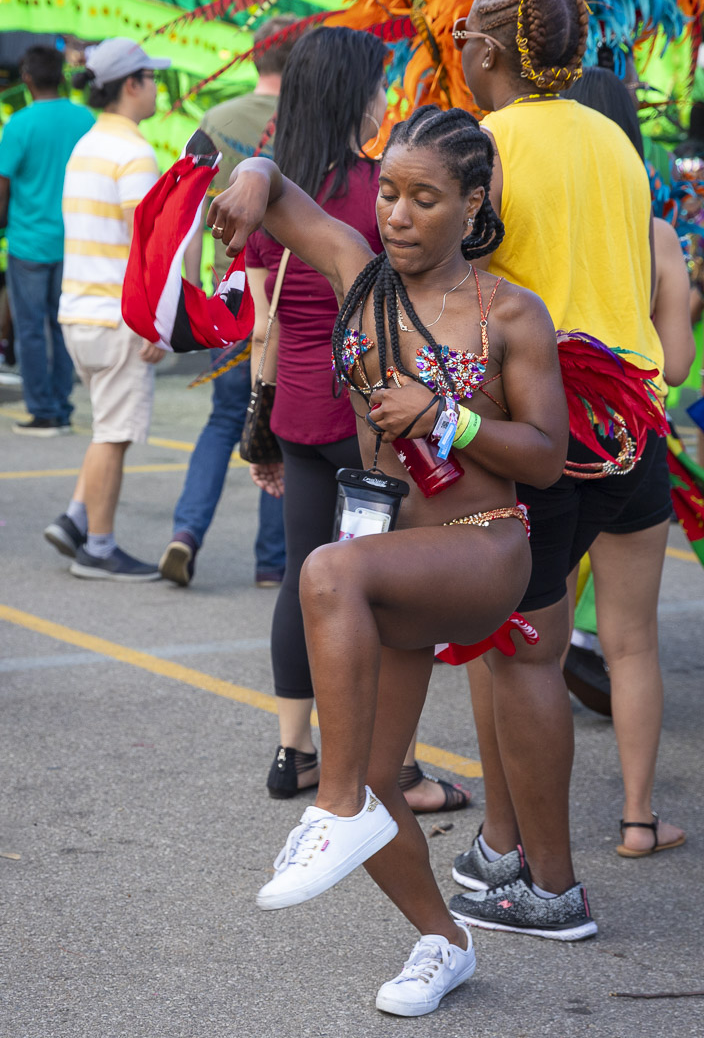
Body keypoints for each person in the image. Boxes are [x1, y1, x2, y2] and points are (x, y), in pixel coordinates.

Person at [207, 103, 569, 1015]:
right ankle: (441, 940)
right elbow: (284, 193)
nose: (399, 215)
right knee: (378, 776)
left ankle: (329, 809)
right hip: (398, 557)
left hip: (484, 548)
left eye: (424, 198)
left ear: (472, 204)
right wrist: (253, 178)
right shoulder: (359, 278)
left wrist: (450, 415)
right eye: (391, 195)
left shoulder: (509, 311)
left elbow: (547, 457)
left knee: (326, 570)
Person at [444, 0, 673, 936]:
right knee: (600, 643)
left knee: (516, 660)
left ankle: (538, 878)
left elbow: (466, 287)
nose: (456, 46)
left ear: (491, 53)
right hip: (633, 427)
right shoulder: (614, 140)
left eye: (465, 35)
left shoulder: (487, 145)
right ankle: (508, 849)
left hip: (536, 434)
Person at [246, 26, 469, 816]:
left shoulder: (280, 196)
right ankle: (397, 770)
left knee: (307, 572)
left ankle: (293, 752)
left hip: (298, 410)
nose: (385, 99)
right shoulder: (382, 192)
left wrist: (259, 427)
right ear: (355, 94)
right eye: (380, 85)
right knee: (383, 589)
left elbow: (262, 322)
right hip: (369, 412)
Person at [560, 66, 692, 857]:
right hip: (634, 440)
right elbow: (675, 365)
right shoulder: (656, 233)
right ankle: (639, 820)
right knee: (632, 641)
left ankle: (523, 830)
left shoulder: (533, 220)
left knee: (531, 638)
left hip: (547, 442)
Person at [158, 14, 297, 589]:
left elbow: (191, 222)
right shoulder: (305, 124)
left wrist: (194, 295)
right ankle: (271, 564)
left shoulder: (217, 119)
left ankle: (185, 534)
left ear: (255, 56)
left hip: (231, 296)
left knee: (222, 420)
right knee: (280, 425)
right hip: (290, 299)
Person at [43, 38, 170, 580]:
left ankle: (75, 519)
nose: (158, 87)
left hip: (79, 311)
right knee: (111, 435)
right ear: (131, 85)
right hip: (117, 317)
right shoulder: (134, 153)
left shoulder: (88, 144)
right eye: (152, 77)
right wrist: (157, 323)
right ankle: (98, 546)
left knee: (104, 424)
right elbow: (148, 244)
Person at [0, 46, 94, 433]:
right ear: (62, 75)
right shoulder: (86, 119)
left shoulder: (19, 124)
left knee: (31, 330)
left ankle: (43, 411)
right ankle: (61, 406)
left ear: (27, 79)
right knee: (63, 326)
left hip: (29, 245)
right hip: (74, 243)